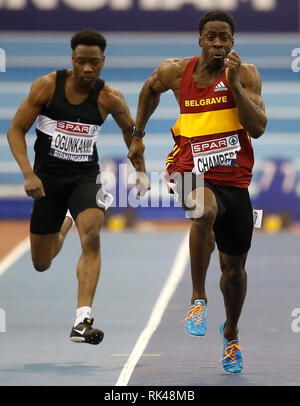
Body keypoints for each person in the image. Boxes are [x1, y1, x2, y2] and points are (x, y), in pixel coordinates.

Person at [128, 10, 267, 373]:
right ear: (200, 39)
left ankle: (231, 333)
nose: (218, 43)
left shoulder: (247, 73)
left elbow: (259, 128)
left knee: (234, 271)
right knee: (203, 212)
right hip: (187, 166)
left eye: (225, 37)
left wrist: (234, 84)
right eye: (212, 36)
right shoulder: (176, 71)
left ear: (233, 41)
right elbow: (148, 89)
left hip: (234, 176)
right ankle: (197, 298)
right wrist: (137, 136)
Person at [7, 29, 147, 345]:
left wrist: (140, 172)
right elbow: (15, 130)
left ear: (102, 62)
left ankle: (82, 321)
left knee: (93, 234)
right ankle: (64, 225)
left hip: (86, 178)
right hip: (47, 182)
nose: (87, 69)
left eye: (93, 63)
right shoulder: (46, 87)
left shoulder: (110, 97)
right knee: (41, 263)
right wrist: (28, 174)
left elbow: (131, 133)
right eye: (81, 61)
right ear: (72, 59)